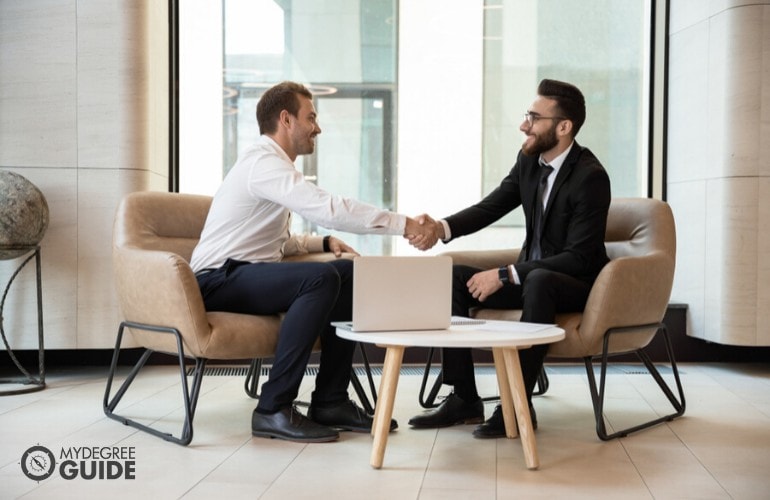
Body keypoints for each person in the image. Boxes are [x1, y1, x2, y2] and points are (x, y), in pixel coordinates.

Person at [190, 81, 429, 443]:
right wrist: (404, 224)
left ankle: (330, 400)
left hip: (247, 272)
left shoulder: (274, 168)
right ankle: (272, 408)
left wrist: (324, 241)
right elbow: (329, 208)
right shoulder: (263, 163)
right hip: (218, 279)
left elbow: (278, 243)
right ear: (286, 119)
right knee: (320, 278)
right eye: (311, 117)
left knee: (348, 272)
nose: (318, 127)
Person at [407, 79, 611, 437]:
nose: (524, 125)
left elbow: (579, 258)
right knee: (450, 276)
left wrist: (505, 274)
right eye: (526, 115)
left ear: (564, 127)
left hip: (574, 283)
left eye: (534, 117)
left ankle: (516, 405)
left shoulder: (590, 177)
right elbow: (493, 206)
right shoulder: (529, 161)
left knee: (539, 279)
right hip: (529, 279)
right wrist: (441, 228)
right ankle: (464, 397)